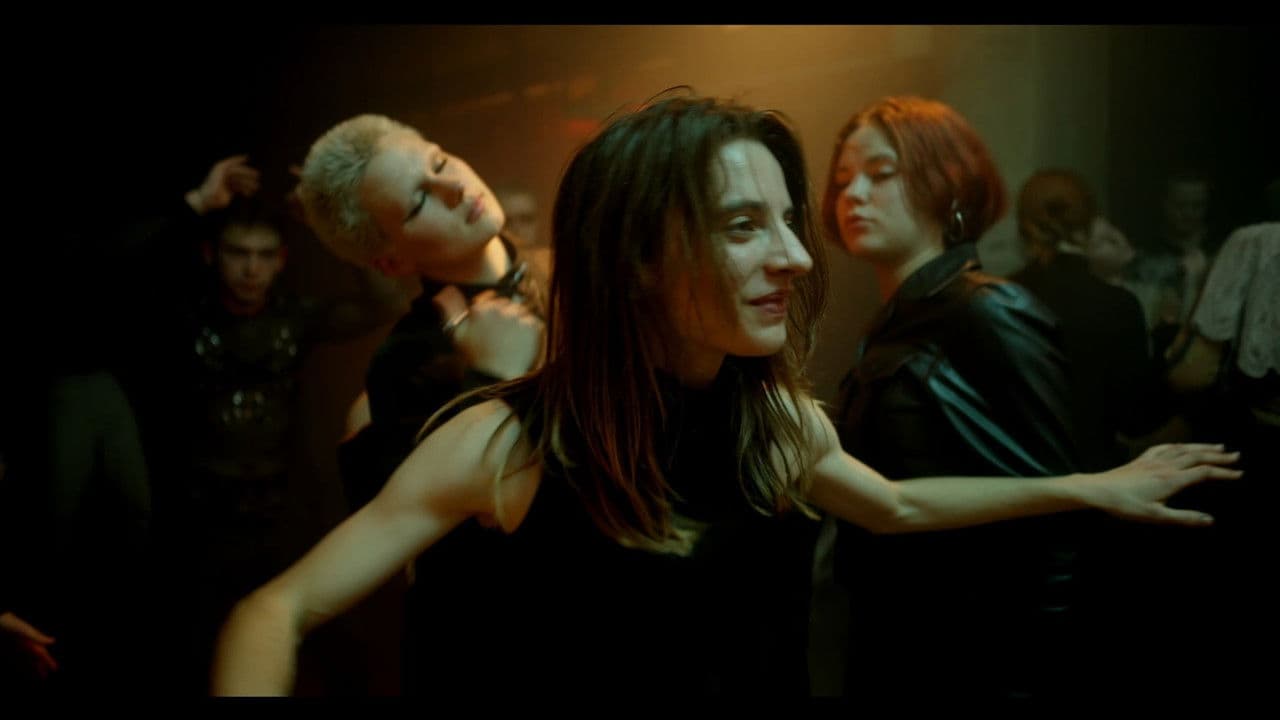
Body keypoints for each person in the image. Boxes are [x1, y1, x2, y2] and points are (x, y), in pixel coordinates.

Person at [213, 94, 1238, 699]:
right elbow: (276, 608)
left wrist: (1091, 486)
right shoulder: (510, 438)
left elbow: (894, 503)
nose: (798, 256)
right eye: (745, 226)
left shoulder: (771, 418)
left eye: (788, 220)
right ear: (638, 259)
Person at [295, 114, 546, 694]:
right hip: (498, 650)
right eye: (419, 201)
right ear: (392, 262)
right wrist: (489, 379)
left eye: (439, 162)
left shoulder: (577, 274)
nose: (455, 187)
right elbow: (425, 546)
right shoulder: (407, 363)